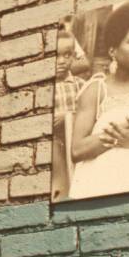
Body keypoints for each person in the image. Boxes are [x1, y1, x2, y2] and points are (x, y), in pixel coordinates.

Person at [70, 2, 129, 200]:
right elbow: (77, 149)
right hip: (107, 179)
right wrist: (119, 136)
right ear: (113, 51)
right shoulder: (97, 90)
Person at [52, 30, 86, 201]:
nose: (62, 61)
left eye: (67, 55)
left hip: (75, 144)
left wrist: (68, 116)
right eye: (56, 55)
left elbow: (89, 113)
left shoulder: (80, 85)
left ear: (73, 56)